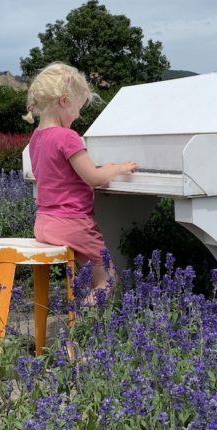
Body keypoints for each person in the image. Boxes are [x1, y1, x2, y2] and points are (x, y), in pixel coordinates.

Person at [23, 62, 137, 301]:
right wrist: (116, 168)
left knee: (85, 278)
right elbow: (94, 179)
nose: (77, 115)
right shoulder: (67, 136)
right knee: (108, 278)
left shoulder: (36, 138)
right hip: (72, 225)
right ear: (64, 101)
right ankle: (79, 330)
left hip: (44, 224)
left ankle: (78, 315)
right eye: (78, 108)